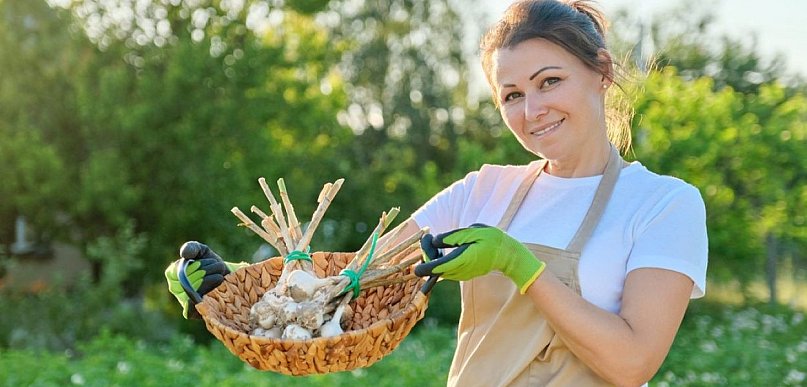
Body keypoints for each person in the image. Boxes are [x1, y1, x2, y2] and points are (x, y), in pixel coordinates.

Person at [165, 0, 708, 385]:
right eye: (511, 94)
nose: (531, 111)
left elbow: (632, 362)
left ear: (601, 73)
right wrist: (235, 286)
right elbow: (352, 288)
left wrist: (522, 267)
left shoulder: (663, 204)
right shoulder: (484, 191)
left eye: (550, 82)